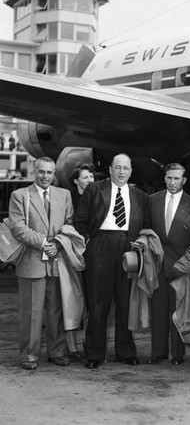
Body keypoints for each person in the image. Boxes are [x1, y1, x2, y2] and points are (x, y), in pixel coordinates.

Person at [75, 153, 148, 369]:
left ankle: (126, 352)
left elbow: (145, 224)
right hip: (100, 247)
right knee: (98, 303)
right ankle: (94, 354)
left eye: (126, 168)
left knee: (125, 303)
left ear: (131, 171)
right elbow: (80, 220)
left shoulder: (140, 196)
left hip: (128, 247)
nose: (122, 172)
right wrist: (89, 243)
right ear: (110, 170)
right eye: (118, 167)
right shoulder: (94, 189)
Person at [8, 157, 75, 370]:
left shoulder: (64, 195)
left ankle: (57, 352)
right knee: (31, 312)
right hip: (31, 262)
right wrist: (45, 242)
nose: (45, 176)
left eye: (49, 172)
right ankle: (29, 356)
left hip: (57, 261)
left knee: (56, 310)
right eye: (41, 172)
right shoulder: (20, 195)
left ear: (54, 173)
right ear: (34, 172)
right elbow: (17, 227)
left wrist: (59, 244)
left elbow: (69, 224)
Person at [147, 163, 190, 365]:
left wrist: (189, 264)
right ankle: (158, 352)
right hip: (158, 262)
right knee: (158, 309)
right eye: (169, 177)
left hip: (180, 264)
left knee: (179, 310)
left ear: (184, 180)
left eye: (176, 178)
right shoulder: (152, 200)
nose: (172, 182)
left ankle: (178, 354)